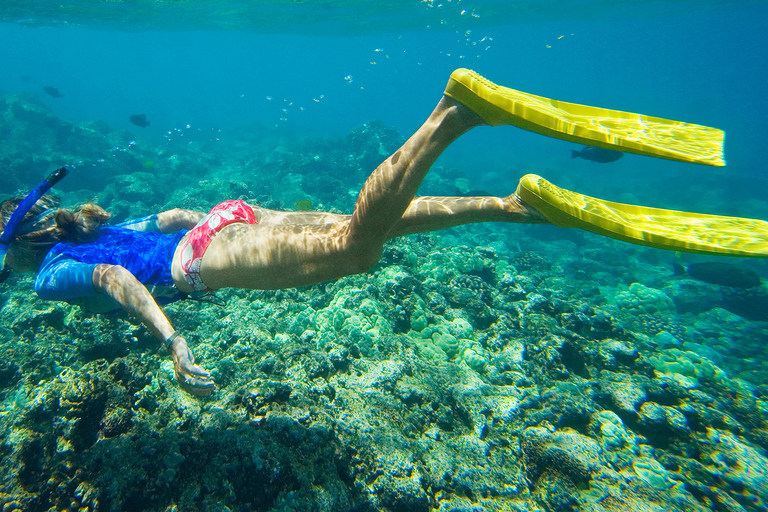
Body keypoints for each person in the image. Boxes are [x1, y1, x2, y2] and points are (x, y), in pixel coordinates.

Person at [1, 69, 766, 397]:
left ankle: (451, 116)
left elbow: (114, 281)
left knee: (354, 249)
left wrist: (171, 339)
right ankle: (513, 205)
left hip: (206, 258)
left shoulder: (47, 272)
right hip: (223, 224)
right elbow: (165, 217)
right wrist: (235, 215)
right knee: (370, 235)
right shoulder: (83, 224)